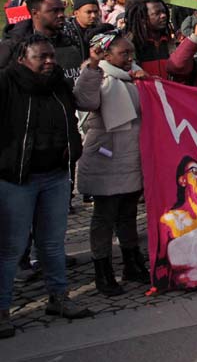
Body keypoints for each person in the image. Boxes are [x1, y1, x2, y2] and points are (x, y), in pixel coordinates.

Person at [0, 34, 91, 339]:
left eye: (51, 56)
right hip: (16, 179)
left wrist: (73, 146)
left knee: (52, 243)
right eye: (42, 57)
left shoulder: (59, 86)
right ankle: (2, 310)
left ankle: (59, 298)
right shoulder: (7, 84)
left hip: (55, 176)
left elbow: (73, 117)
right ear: (23, 59)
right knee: (10, 248)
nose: (50, 61)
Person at [75, 33, 150, 296]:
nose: (130, 59)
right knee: (105, 216)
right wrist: (93, 68)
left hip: (131, 155)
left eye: (131, 53)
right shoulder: (99, 76)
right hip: (106, 156)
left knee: (128, 213)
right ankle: (103, 268)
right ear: (106, 55)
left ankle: (132, 261)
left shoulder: (136, 75)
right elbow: (85, 101)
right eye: (123, 54)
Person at [123, 0, 175, 79]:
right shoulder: (129, 44)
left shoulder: (171, 42)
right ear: (143, 18)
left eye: (164, 11)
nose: (163, 16)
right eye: (157, 13)